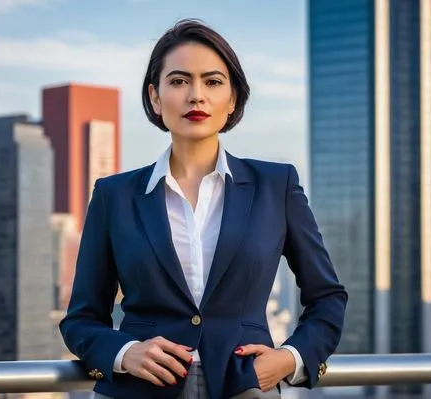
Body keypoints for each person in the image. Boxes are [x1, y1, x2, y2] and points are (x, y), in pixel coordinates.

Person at [60, 18, 347, 399]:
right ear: (155, 97)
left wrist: (290, 358)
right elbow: (81, 319)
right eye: (178, 81)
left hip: (245, 387)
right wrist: (124, 353)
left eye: (212, 82)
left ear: (232, 100)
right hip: (139, 390)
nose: (196, 95)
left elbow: (327, 297)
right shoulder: (114, 195)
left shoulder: (276, 186)